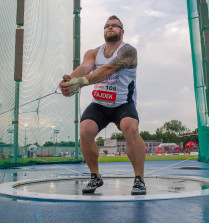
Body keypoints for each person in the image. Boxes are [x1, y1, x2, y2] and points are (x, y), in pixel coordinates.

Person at [59, 15, 146, 195]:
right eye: (107, 26)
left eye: (115, 26)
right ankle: (95, 177)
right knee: (85, 130)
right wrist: (69, 81)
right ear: (104, 31)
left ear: (122, 32)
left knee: (130, 127)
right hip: (100, 104)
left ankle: (139, 179)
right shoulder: (93, 52)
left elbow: (108, 69)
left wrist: (81, 82)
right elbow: (84, 68)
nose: (110, 28)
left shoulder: (128, 51)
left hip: (123, 103)